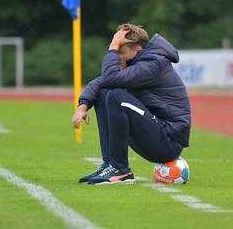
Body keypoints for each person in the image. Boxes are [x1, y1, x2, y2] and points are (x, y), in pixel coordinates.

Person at [72, 24, 191, 185]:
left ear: (137, 48)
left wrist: (113, 46)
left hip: (168, 141)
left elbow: (110, 78)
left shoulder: (153, 64)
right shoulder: (137, 62)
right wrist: (83, 106)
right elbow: (101, 82)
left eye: (121, 52)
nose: (118, 56)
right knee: (104, 93)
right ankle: (110, 164)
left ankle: (121, 170)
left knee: (115, 95)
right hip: (156, 131)